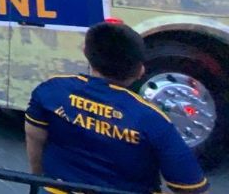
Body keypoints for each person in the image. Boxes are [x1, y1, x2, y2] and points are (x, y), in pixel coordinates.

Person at [25, 22, 209, 194]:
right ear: (140, 70)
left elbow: (34, 137)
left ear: (86, 53)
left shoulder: (52, 90)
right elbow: (190, 186)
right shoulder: (152, 119)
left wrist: (41, 181)